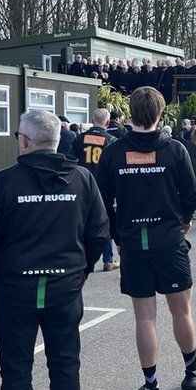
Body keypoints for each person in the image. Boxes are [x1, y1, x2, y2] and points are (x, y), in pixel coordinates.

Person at [0, 109, 108, 390]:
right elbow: (99, 233)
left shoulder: (4, 181)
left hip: (17, 291)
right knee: (64, 366)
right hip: (63, 288)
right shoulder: (82, 179)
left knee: (16, 371)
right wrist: (79, 271)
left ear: (26, 141)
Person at [96, 87, 196, 390]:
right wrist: (183, 224)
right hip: (169, 242)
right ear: (161, 114)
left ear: (130, 113)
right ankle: (192, 372)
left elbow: (102, 203)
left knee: (145, 318)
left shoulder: (115, 152)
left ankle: (152, 388)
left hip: (134, 244)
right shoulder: (175, 150)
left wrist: (118, 235)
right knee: (182, 310)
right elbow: (191, 197)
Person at [72, 108, 120, 272]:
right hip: (103, 188)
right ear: (107, 122)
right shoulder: (112, 141)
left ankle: (82, 258)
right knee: (103, 222)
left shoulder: (79, 139)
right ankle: (108, 259)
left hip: (81, 185)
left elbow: (72, 162)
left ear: (92, 121)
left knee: (82, 222)